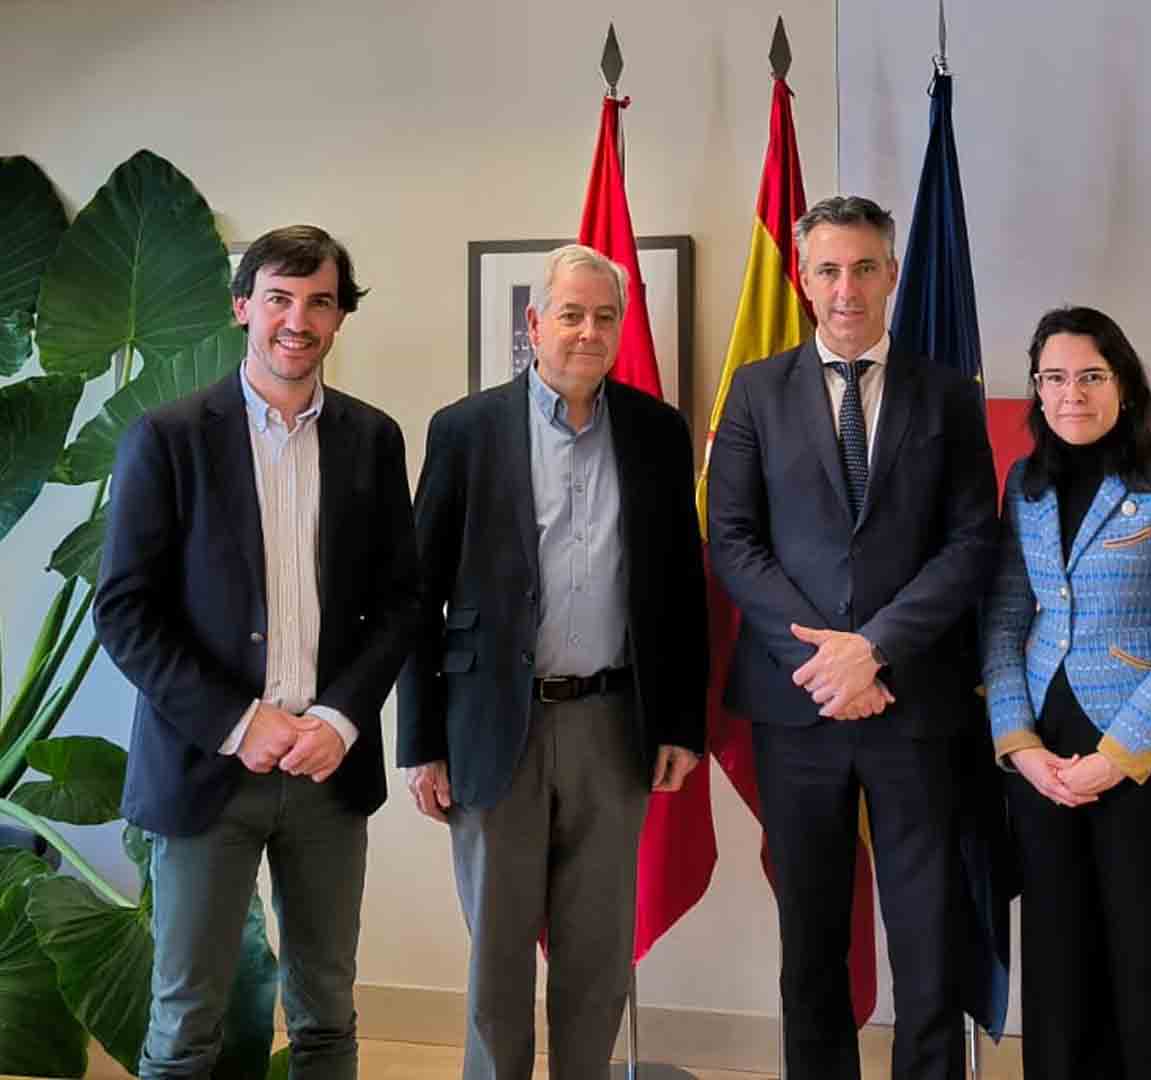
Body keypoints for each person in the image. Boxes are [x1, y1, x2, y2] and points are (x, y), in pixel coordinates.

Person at [94, 225, 419, 1077]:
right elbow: (125, 612)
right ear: (244, 307)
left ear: (340, 317)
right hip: (207, 769)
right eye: (279, 297)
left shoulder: (373, 440)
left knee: (326, 1018)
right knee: (185, 1027)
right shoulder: (166, 439)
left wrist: (342, 720)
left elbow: (401, 602)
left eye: (319, 301)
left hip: (327, 774)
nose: (297, 320)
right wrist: (241, 722)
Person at [395, 244, 708, 1080]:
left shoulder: (656, 433)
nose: (588, 332)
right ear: (534, 324)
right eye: (570, 314)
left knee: (598, 954)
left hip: (614, 723)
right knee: (497, 959)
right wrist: (421, 741)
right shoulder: (465, 430)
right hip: (494, 729)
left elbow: (681, 589)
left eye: (606, 316)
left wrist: (681, 722)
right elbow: (417, 598)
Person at [706, 194, 999, 1079]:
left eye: (864, 267)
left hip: (913, 699)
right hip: (797, 710)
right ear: (802, 278)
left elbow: (970, 541)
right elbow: (734, 542)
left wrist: (872, 649)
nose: (847, 288)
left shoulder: (947, 393)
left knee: (926, 938)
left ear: (892, 275)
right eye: (828, 269)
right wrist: (825, 662)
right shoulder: (757, 393)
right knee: (812, 941)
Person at [980, 305, 1151, 1078]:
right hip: (1046, 773)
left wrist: (1114, 759)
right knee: (1061, 984)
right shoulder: (1025, 484)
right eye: (1053, 378)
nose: (1071, 394)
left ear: (1123, 382)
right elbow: (1003, 627)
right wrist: (1021, 749)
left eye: (1090, 376)